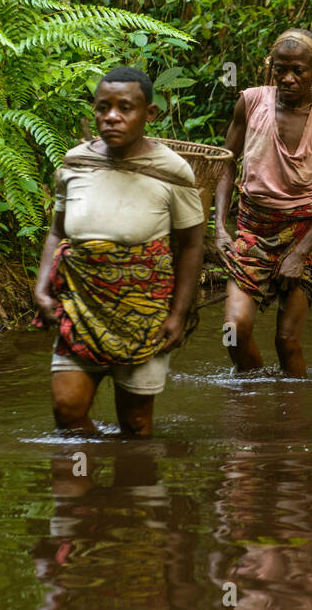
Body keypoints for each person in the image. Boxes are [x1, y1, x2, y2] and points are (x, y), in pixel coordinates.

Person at [32, 66, 205, 437]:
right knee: (67, 412)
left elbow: (191, 246)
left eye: (125, 108)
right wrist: (42, 288)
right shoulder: (76, 163)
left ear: (150, 114)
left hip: (144, 314)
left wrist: (179, 314)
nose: (111, 117)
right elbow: (56, 232)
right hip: (79, 307)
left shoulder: (172, 172)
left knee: (136, 424)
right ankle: (86, 489)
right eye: (102, 107)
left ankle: (129, 491)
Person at [214, 29, 312, 377]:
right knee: (234, 333)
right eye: (280, 69)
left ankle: (290, 419)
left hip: (302, 235)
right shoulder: (251, 101)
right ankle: (254, 402)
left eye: (298, 71)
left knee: (287, 341)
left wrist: (301, 253)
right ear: (271, 68)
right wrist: (218, 227)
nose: (288, 78)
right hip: (252, 233)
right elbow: (226, 163)